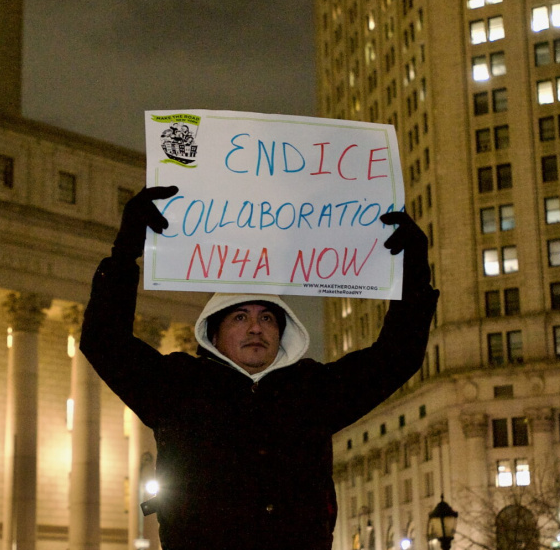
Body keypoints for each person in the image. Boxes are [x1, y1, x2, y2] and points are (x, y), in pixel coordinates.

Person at [80, 186, 439, 550]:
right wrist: (124, 253)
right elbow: (103, 341)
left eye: (267, 317)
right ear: (214, 333)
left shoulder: (312, 390)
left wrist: (414, 273)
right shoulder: (179, 386)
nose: (256, 327)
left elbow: (397, 356)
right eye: (240, 317)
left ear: (283, 332)